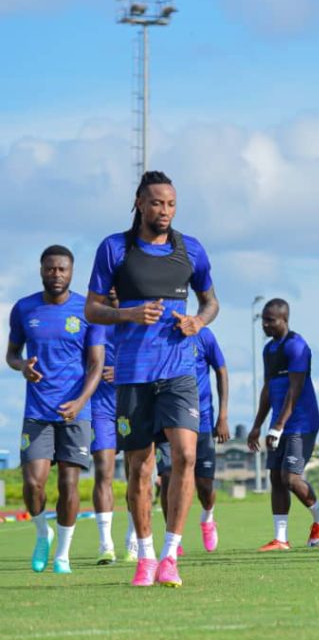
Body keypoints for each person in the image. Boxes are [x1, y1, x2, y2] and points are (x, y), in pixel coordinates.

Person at [85, 170, 220, 588]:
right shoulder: (114, 249)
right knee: (140, 469)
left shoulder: (190, 250)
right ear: (140, 204)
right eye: (158, 203)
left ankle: (170, 556)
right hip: (132, 375)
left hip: (178, 372)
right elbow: (91, 309)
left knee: (185, 458)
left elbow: (211, 301)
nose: (165, 211)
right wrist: (127, 313)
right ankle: (144, 555)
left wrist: (198, 320)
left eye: (172, 203)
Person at [7, 246, 105, 574]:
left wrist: (79, 403)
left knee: (68, 484)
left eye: (62, 269)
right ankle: (41, 533)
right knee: (33, 482)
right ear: (41, 270)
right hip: (37, 411)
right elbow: (11, 354)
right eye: (51, 269)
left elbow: (96, 365)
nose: (56, 274)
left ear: (71, 272)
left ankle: (62, 554)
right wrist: (23, 366)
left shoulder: (88, 310)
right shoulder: (24, 308)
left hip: (76, 412)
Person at [248, 299, 319, 551]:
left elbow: (296, 389)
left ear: (284, 319)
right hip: (278, 423)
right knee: (276, 478)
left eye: (270, 319)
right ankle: (281, 539)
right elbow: (268, 389)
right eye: (263, 319)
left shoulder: (296, 346)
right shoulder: (268, 350)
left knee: (291, 478)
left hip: (301, 423)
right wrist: (258, 425)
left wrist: (279, 425)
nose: (264, 324)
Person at [155, 326, 230, 551]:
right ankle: (172, 538)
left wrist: (223, 416)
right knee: (168, 478)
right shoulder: (158, 332)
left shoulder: (204, 335)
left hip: (202, 419)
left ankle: (207, 519)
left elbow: (222, 371)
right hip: (167, 417)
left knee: (204, 485)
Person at [91, 320, 118, 564]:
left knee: (139, 474)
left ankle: (134, 541)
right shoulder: (93, 322)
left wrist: (122, 370)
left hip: (135, 406)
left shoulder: (140, 318)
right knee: (103, 472)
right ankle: (105, 544)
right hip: (101, 409)